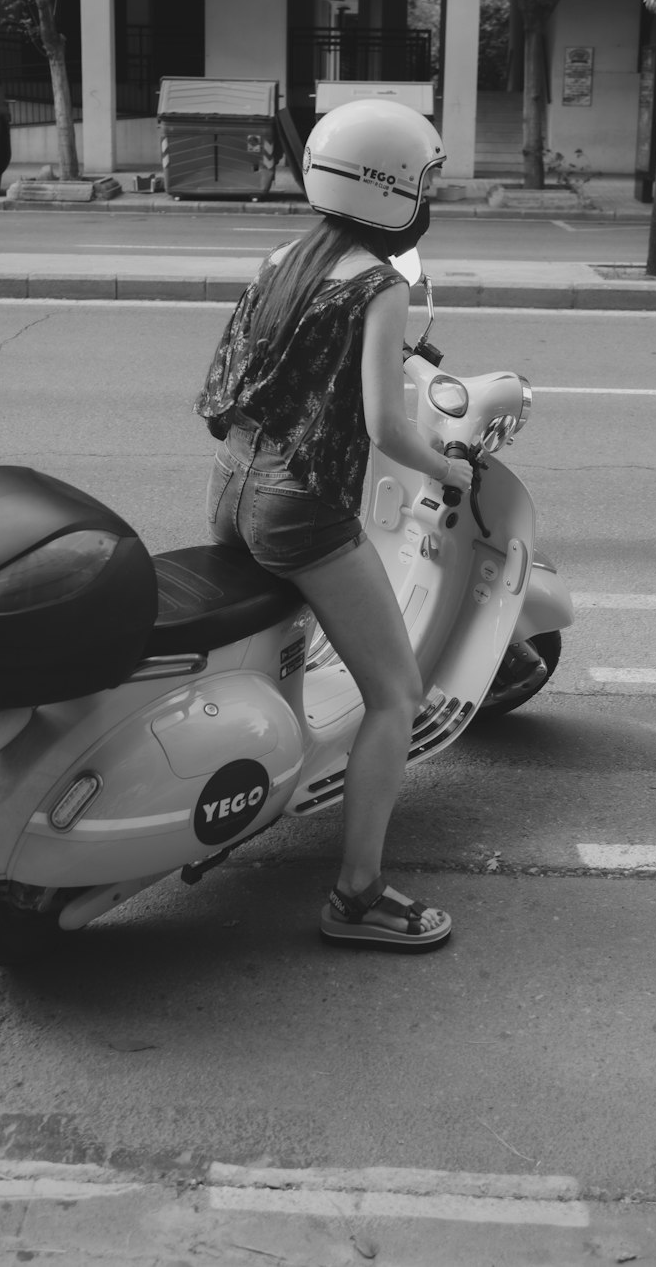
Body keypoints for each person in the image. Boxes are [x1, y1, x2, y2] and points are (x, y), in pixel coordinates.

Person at [195, 99, 471, 951]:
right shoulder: (379, 286)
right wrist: (448, 467)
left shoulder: (282, 256)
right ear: (390, 188)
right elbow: (389, 427)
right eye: (423, 183)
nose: (428, 198)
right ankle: (357, 895)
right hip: (298, 507)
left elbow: (235, 387)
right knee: (397, 694)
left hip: (233, 484)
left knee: (278, 646)